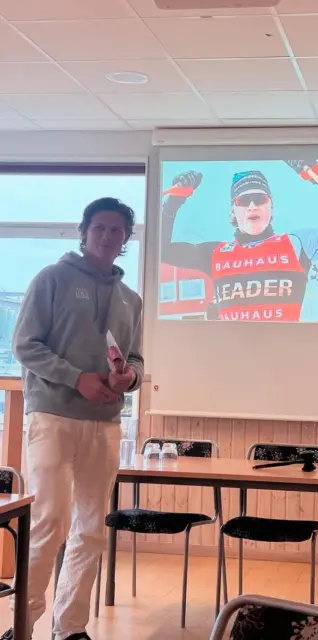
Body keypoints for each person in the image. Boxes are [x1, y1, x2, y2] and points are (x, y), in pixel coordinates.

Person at [5, 198, 144, 640]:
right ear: (83, 232)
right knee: (49, 522)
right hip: (52, 416)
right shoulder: (52, 278)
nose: (107, 236)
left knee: (91, 529)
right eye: (99, 227)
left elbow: (136, 358)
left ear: (126, 239)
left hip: (105, 423)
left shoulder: (131, 299)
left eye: (116, 230)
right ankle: (22, 625)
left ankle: (70, 627)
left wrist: (130, 377)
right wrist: (75, 378)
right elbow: (24, 345)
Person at [160, 167, 318, 321]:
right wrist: (172, 204)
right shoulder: (215, 253)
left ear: (271, 207)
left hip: (285, 352)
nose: (252, 206)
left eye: (260, 199)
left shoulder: (297, 244)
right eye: (243, 201)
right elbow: (159, 250)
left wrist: (316, 173)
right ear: (233, 211)